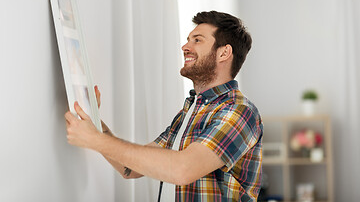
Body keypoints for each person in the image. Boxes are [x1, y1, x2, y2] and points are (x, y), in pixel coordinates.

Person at [65, 11, 263, 201]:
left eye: (197, 40)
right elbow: (131, 168)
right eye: (188, 39)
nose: (185, 46)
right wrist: (94, 123)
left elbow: (183, 169)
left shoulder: (239, 111)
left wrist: (95, 140)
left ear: (224, 53)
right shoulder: (191, 111)